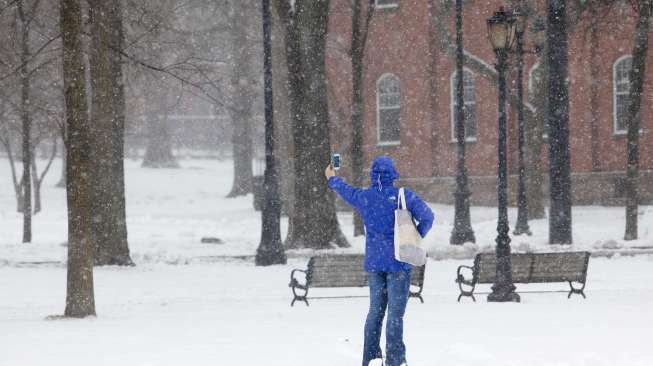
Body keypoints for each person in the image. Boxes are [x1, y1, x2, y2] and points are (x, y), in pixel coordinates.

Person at [325, 155, 434, 366]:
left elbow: (346, 191)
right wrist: (415, 236)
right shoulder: (405, 196)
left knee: (375, 313)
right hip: (399, 264)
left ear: (373, 175)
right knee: (395, 315)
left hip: (375, 265)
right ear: (393, 174)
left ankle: (372, 359)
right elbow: (428, 217)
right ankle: (395, 361)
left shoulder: (366, 197)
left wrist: (332, 177)